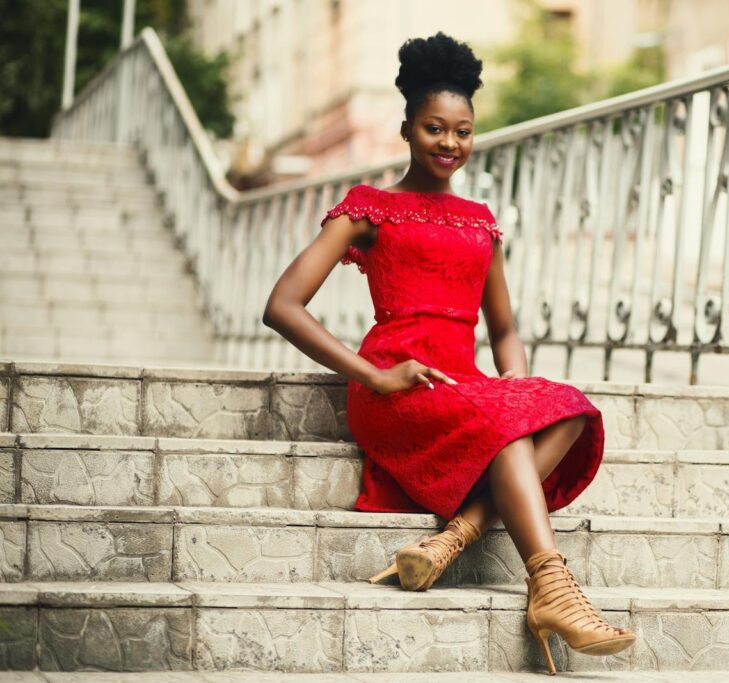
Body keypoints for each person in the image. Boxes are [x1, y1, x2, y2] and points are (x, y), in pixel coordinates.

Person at [262, 32, 635, 674]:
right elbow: (283, 306)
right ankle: (550, 586)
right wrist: (376, 377)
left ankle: (454, 539)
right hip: (400, 387)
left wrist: (516, 386)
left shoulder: (480, 219)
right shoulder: (368, 208)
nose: (450, 144)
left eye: (463, 132)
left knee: (570, 410)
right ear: (406, 128)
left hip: (463, 384)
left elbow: (505, 329)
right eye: (435, 128)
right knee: (511, 432)